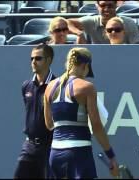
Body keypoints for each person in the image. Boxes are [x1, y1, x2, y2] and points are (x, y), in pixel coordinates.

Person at [44, 47, 119, 178]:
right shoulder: (87, 87)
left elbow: (49, 124)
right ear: (85, 66)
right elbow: (96, 126)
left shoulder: (49, 87)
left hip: (55, 154)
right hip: (78, 153)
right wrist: (111, 155)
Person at [14, 44, 56, 179]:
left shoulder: (57, 85)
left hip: (51, 146)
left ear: (49, 60)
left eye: (38, 58)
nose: (33, 62)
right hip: (30, 145)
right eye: (32, 58)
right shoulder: (26, 86)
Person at [67, 1, 139, 44]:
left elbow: (138, 49)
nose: (106, 9)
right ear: (97, 6)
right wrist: (79, 33)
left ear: (116, 5)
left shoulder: (129, 23)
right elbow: (67, 22)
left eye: (118, 30)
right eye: (103, 5)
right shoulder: (92, 21)